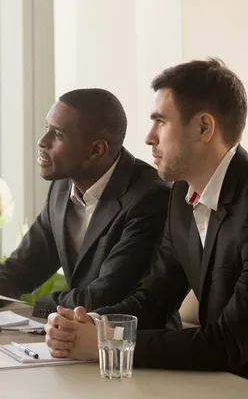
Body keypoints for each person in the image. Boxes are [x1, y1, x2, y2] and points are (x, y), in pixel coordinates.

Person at [45, 58, 248, 378]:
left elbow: (230, 343)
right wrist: (86, 325)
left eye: (160, 121)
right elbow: (153, 301)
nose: (149, 137)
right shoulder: (180, 198)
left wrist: (102, 341)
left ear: (203, 127)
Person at [0, 88, 171, 318]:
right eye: (46, 129)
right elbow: (25, 263)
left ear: (96, 149)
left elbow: (106, 294)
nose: (42, 142)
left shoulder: (150, 197)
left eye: (58, 135)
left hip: (125, 343)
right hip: (70, 333)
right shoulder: (62, 186)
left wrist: (32, 307)